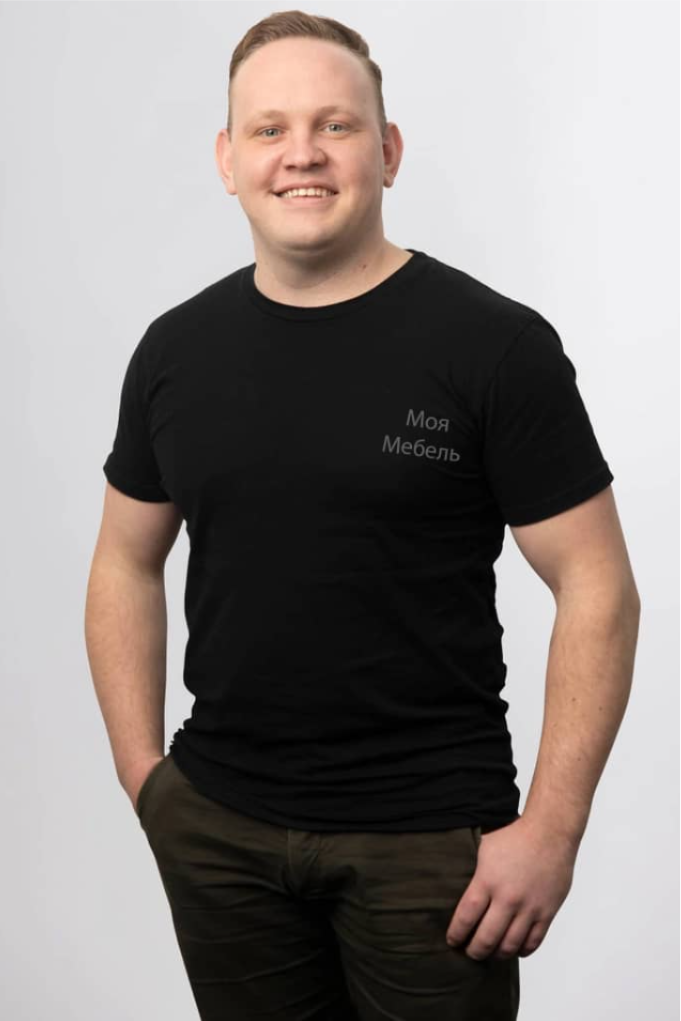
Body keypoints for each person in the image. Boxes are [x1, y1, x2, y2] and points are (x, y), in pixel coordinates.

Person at [84, 10, 640, 1021]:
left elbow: (597, 583)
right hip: (220, 828)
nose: (301, 153)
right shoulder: (174, 353)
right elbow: (126, 559)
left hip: (430, 844)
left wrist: (553, 829)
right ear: (228, 160)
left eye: (334, 125)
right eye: (269, 128)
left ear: (386, 151)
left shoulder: (495, 347)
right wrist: (145, 776)